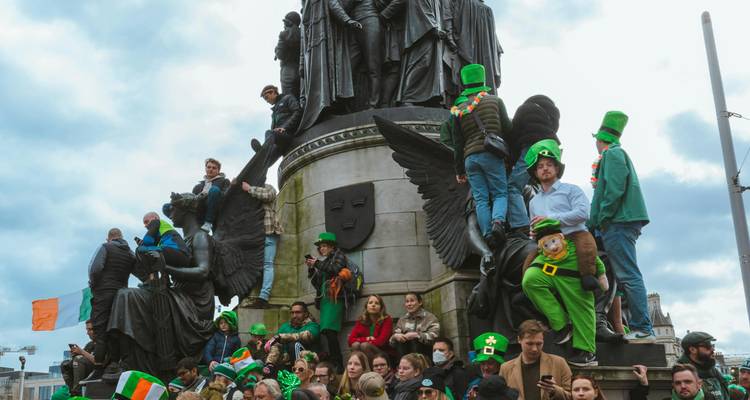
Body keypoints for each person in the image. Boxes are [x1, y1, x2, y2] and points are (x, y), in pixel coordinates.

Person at [588, 111, 654, 343]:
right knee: (623, 275)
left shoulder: (613, 155)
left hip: (618, 222)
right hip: (617, 222)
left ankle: (643, 328)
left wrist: (602, 218)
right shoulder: (614, 154)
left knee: (628, 274)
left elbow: (613, 191)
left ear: (600, 139)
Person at [521, 219, 607, 366]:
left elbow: (593, 258)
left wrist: (601, 275)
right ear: (541, 248)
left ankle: (586, 352)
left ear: (561, 237)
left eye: (554, 241)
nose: (552, 247)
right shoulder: (542, 257)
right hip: (550, 275)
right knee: (529, 280)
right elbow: (530, 276)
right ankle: (562, 325)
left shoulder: (576, 248)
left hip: (576, 282)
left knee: (582, 313)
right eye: (547, 245)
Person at [451, 63, 513, 249]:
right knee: (500, 192)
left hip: (470, 158)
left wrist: (459, 170)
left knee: (480, 198)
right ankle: (498, 224)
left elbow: (457, 143)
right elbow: (508, 129)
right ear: (483, 80)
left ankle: (487, 236)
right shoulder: (495, 101)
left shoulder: (458, 110)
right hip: (491, 153)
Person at [85, 227, 136, 379]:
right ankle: (116, 362)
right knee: (115, 329)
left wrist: (93, 285)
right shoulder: (130, 253)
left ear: (109, 238)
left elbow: (94, 269)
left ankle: (99, 368)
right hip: (121, 295)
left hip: (103, 293)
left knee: (100, 331)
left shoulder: (105, 247)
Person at [305, 232, 354, 370]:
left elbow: (336, 269)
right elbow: (317, 283)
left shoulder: (339, 255)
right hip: (325, 300)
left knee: (330, 331)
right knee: (327, 332)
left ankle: (338, 363)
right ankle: (334, 361)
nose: (321, 249)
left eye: (324, 246)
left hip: (335, 297)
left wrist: (318, 263)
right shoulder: (324, 262)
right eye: (320, 247)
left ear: (332, 246)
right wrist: (311, 268)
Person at [500, 320, 572, 400]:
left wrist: (554, 390)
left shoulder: (559, 363)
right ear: (519, 340)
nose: (534, 349)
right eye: (529, 344)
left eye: (539, 344)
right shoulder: (506, 368)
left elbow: (573, 396)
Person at [241, 181, 283, 309]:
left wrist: (249, 189)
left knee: (267, 264)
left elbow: (269, 195)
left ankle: (263, 297)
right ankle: (251, 295)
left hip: (268, 232)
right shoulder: (245, 193)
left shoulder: (267, 187)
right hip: (253, 235)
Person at [265, 302, 321, 368]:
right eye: (292, 313)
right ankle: (269, 367)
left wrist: (282, 337)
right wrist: (270, 362)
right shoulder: (285, 326)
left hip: (307, 361)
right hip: (286, 360)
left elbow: (307, 336)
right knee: (275, 346)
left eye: (298, 312)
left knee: (294, 345)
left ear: (306, 314)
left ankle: (298, 370)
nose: (294, 316)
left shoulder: (313, 326)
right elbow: (276, 343)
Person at [251, 85, 302, 157]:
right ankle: (262, 158)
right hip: (279, 140)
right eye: (265, 99)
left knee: (269, 133)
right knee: (267, 158)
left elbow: (297, 111)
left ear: (273, 92)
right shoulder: (274, 113)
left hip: (290, 134)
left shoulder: (288, 98)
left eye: (267, 97)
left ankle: (263, 151)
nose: (267, 101)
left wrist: (285, 127)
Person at [677, 332, 729, 400]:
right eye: (708, 346)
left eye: (712, 345)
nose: (713, 349)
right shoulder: (679, 373)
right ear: (692, 349)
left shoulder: (714, 371)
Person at [390, 292, 441, 358]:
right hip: (405, 354)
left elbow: (435, 338)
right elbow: (391, 343)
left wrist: (417, 335)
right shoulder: (402, 320)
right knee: (400, 342)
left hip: (424, 355)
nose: (409, 304)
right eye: (407, 301)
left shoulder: (430, 318)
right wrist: (396, 336)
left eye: (412, 301)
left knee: (414, 340)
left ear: (420, 302)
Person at [348, 294, 395, 359]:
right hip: (368, 347)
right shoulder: (361, 320)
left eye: (377, 303)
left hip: (384, 353)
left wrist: (362, 341)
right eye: (370, 303)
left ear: (381, 307)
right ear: (366, 306)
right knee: (355, 345)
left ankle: (370, 369)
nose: (373, 305)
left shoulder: (386, 320)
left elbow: (381, 342)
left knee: (365, 345)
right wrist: (367, 339)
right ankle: (359, 367)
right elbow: (350, 340)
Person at [465, 332, 509, 400]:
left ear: (499, 364)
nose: (485, 367)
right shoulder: (474, 386)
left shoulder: (509, 383)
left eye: (490, 363)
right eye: (482, 363)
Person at [192, 158, 231, 232]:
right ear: (205, 168)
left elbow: (226, 197)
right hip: (200, 211)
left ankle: (208, 223)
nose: (211, 169)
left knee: (214, 190)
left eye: (214, 168)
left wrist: (208, 194)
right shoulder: (198, 186)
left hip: (216, 209)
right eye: (208, 167)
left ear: (218, 171)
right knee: (167, 206)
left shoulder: (224, 181)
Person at [61, 321, 96, 395]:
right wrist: (75, 354)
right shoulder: (90, 344)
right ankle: (71, 390)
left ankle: (77, 391)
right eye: (87, 330)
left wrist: (81, 352)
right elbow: (81, 357)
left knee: (79, 359)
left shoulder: (103, 343)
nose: (88, 333)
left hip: (98, 370)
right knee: (65, 364)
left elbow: (99, 361)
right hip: (85, 370)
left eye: (90, 329)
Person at [275, 11, 301, 98]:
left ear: (288, 23)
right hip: (301, 71)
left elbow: (280, 55)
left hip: (287, 72)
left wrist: (276, 50)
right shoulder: (303, 34)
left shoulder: (283, 34)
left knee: (289, 99)